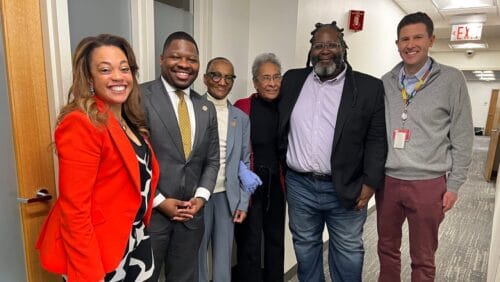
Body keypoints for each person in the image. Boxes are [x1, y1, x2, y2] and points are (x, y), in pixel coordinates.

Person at [36, 34, 160, 281]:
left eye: (124, 69)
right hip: (99, 255)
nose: (117, 76)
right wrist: (88, 275)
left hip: (135, 243)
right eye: (105, 69)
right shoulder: (81, 123)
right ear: (90, 78)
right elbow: (75, 212)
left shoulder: (130, 122)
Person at [278, 21, 387, 281]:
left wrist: (370, 182)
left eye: (331, 44)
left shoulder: (368, 87)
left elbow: (376, 139)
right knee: (305, 248)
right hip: (300, 185)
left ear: (343, 47)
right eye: (318, 45)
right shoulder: (293, 80)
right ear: (311, 50)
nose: (324, 50)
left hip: (347, 186)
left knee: (348, 251)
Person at [377, 12, 473, 282]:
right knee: (386, 250)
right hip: (388, 181)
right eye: (404, 39)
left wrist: (454, 185)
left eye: (418, 37)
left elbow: (463, 137)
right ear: (397, 44)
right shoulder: (385, 82)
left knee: (423, 257)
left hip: (429, 183)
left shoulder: (452, 80)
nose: (410, 44)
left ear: (431, 39)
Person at [140, 31, 219, 282]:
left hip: (191, 215)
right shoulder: (139, 97)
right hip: (151, 215)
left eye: (192, 59)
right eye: (176, 57)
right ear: (162, 59)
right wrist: (159, 200)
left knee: (185, 278)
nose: (184, 64)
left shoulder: (205, 107)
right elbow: (132, 161)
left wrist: (201, 197)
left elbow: (212, 159)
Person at [197, 57, 254, 282]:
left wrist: (243, 201)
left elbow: (244, 162)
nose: (222, 82)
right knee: (197, 255)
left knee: (223, 259)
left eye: (228, 77)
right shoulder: (192, 108)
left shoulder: (240, 118)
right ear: (205, 78)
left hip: (226, 197)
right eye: (216, 75)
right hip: (198, 195)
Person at [234, 53, 286, 282]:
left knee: (275, 239)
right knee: (249, 241)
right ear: (255, 82)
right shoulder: (243, 106)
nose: (272, 83)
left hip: (278, 185)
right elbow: (231, 148)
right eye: (266, 78)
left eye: (276, 77)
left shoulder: (287, 107)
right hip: (250, 186)